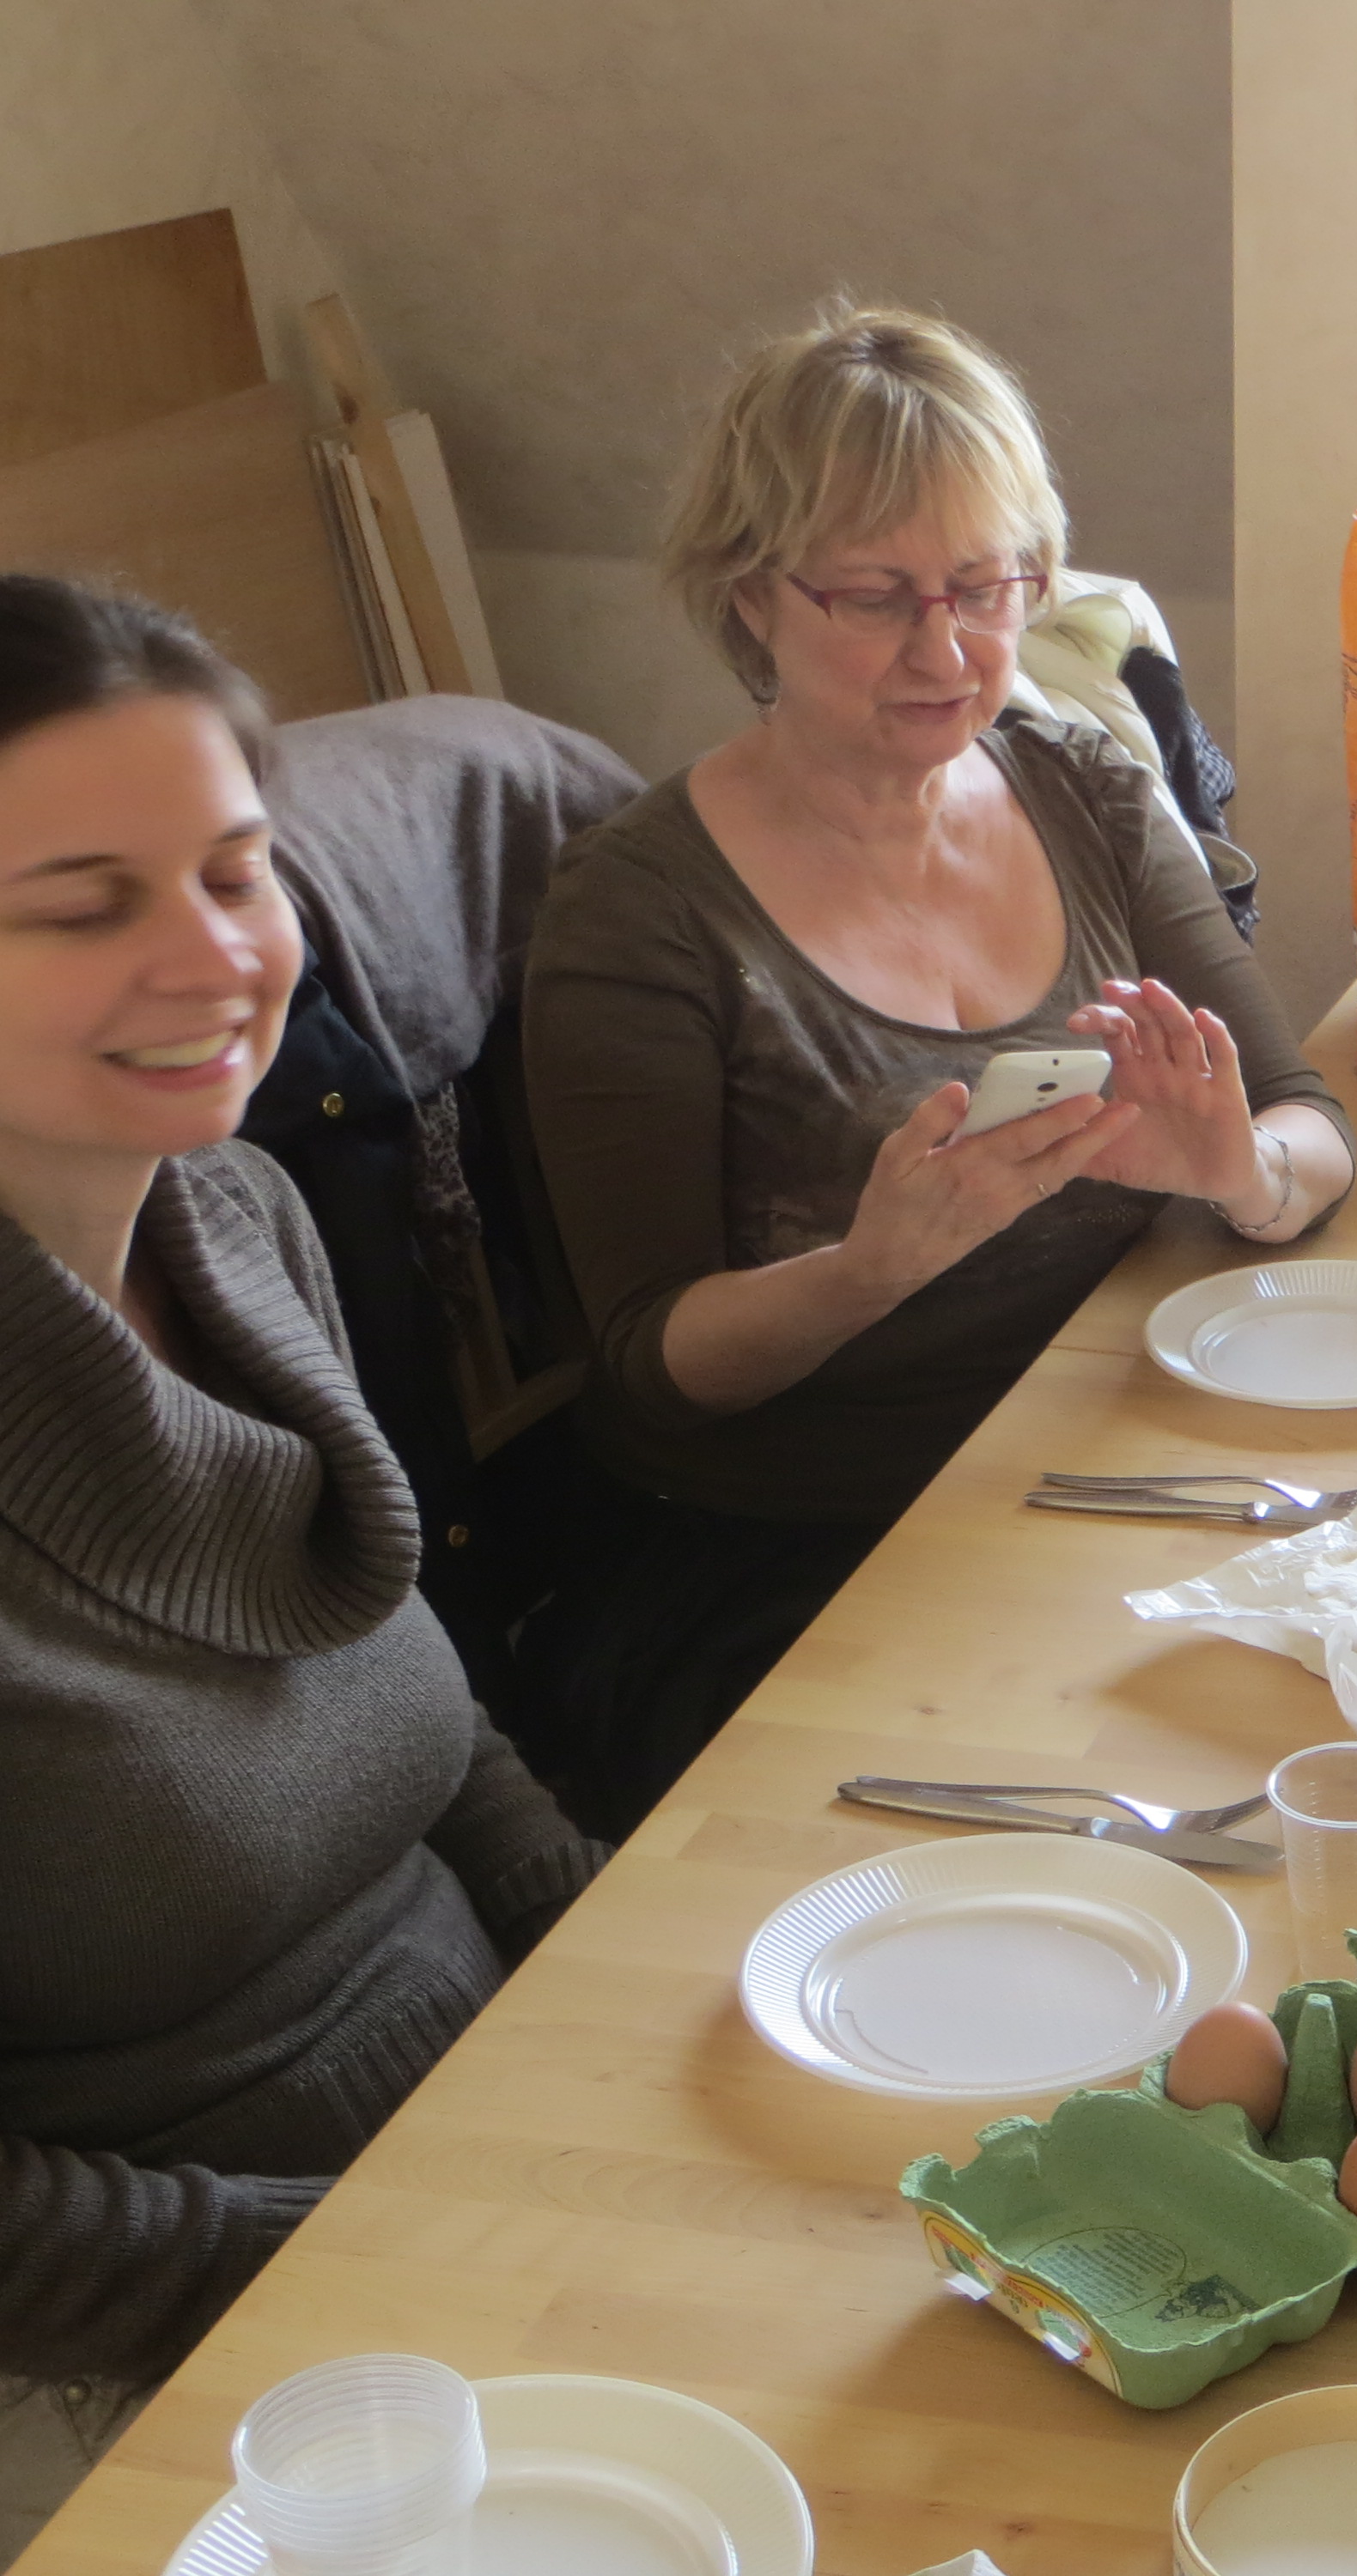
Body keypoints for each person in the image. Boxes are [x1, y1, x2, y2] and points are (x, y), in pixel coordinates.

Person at [522, 307, 1351, 1831]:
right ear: (749, 595)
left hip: (1102, 1461)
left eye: (985, 586)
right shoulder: (639, 910)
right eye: (876, 596)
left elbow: (1311, 1123)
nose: (949, 648)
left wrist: (1237, 1173)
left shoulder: (1087, 791)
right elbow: (650, 1364)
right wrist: (866, 1272)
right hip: (804, 1549)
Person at [0, 576, 603, 2555]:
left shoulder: (240, 1216)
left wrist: (610, 1961)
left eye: (234, 871)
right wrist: (393, 2244)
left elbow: (401, 1679)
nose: (216, 956)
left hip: (475, 2154)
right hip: (157, 2352)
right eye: (81, 907)